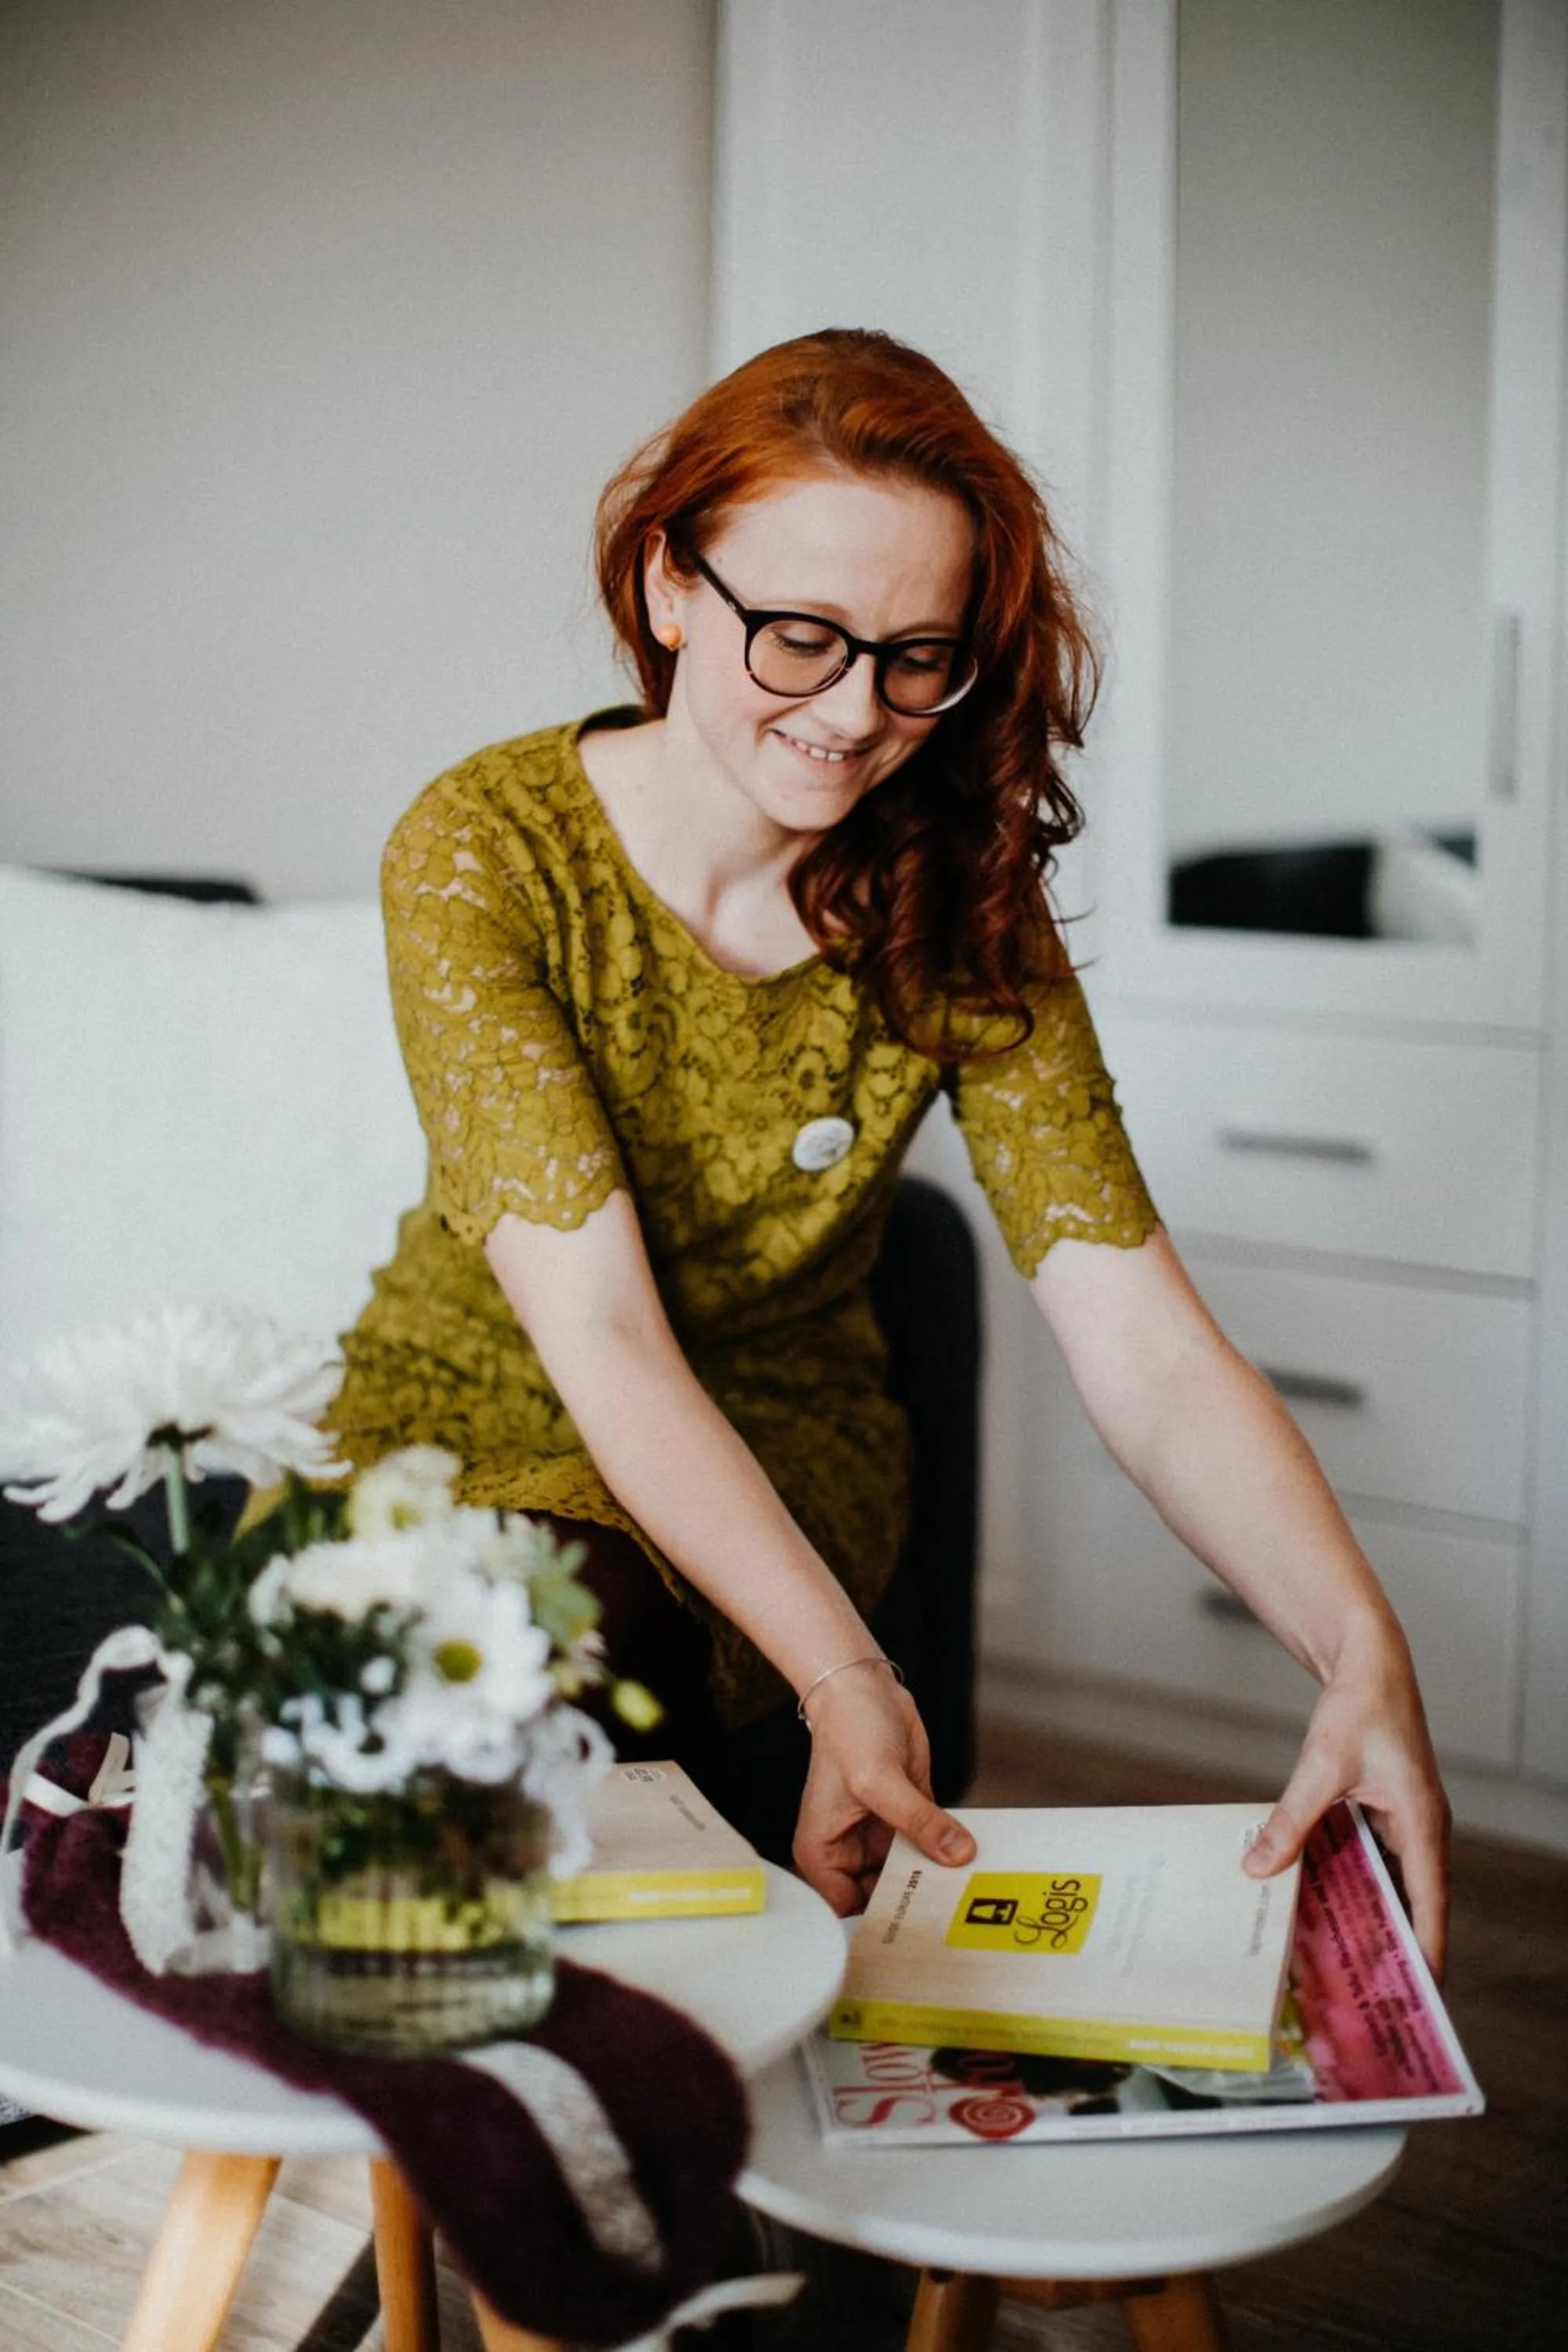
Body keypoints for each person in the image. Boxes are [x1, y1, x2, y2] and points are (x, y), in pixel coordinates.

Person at [326, 327, 1450, 1967]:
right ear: (665, 586)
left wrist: (1361, 1651)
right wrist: (846, 1677)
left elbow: (1145, 1350)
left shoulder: (953, 900)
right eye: (799, 638)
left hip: (785, 1440)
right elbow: (605, 1339)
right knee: (516, 1641)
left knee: (560, 1663)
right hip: (466, 1420)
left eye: (918, 658)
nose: (854, 714)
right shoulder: (485, 850)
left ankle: (628, 2173)